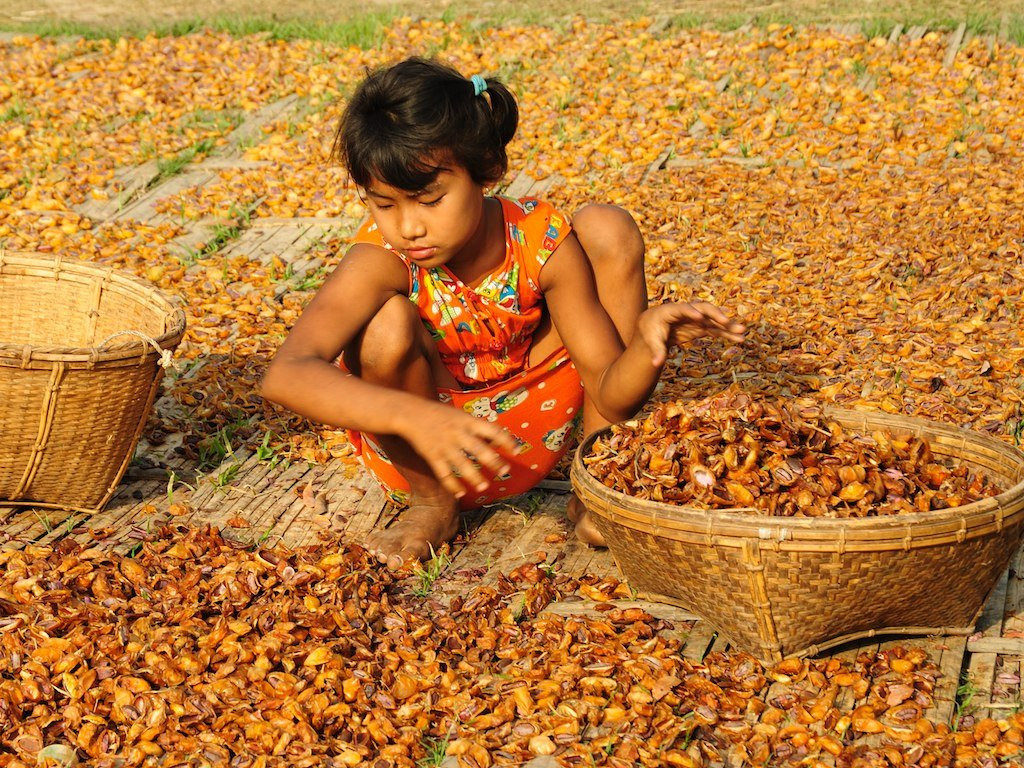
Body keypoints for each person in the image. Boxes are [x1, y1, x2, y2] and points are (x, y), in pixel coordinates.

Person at [260, 57, 745, 569]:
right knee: (383, 328)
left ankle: (595, 481)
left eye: (429, 200)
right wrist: (414, 416)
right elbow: (286, 374)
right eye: (384, 205)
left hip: (538, 429)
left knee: (607, 227)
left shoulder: (537, 239)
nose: (408, 227)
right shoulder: (383, 257)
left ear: (485, 172)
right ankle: (434, 507)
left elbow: (607, 389)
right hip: (425, 449)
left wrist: (647, 346)